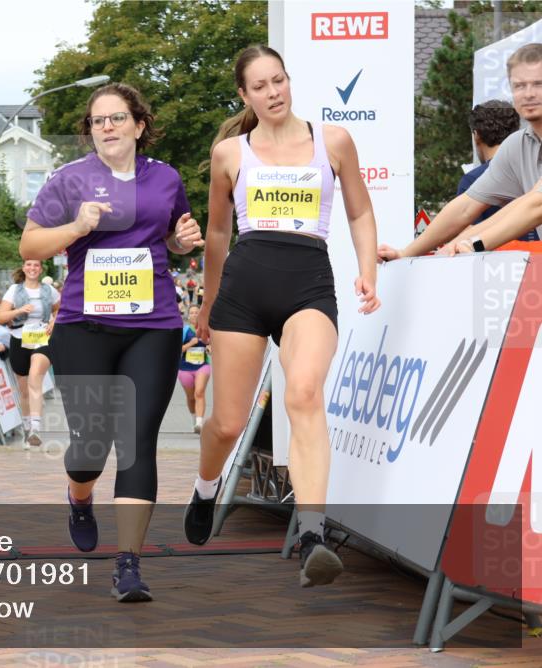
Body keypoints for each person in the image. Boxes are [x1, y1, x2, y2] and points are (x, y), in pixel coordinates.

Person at [187, 45, 380, 588]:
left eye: (279, 80)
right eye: (260, 86)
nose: (273, 93)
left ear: (289, 81)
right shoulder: (230, 153)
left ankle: (313, 533)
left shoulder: (332, 141)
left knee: (303, 394)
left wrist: (368, 270)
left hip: (309, 285)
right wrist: (207, 302)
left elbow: (360, 211)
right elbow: (220, 234)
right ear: (244, 95)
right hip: (244, 289)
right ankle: (205, 488)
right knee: (226, 423)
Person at [19, 82, 204, 602]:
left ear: (138, 125)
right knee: (91, 448)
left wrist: (179, 242)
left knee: (137, 443)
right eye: (98, 120)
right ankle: (79, 496)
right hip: (85, 326)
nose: (107, 127)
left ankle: (129, 564)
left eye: (117, 118)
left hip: (153, 324)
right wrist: (76, 226)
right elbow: (30, 243)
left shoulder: (165, 177)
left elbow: (171, 235)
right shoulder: (69, 179)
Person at [379, 43, 542, 259]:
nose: (528, 94)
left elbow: (535, 205)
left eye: (538, 84)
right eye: (519, 86)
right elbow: (466, 207)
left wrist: (475, 244)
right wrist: (407, 253)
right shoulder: (517, 145)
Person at [0, 260, 60, 449]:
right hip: (19, 337)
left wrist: (53, 322)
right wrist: (19, 310)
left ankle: (36, 428)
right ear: (24, 268)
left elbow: (62, 310)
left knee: (35, 377)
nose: (32, 268)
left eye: (36, 265)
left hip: (42, 338)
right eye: (29, 265)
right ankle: (27, 430)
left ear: (41, 269)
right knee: (24, 390)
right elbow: (1, 317)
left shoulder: (49, 290)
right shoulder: (15, 290)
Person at [178, 304, 212, 434]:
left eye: (196, 312)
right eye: (191, 313)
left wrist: (210, 348)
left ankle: (199, 423)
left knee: (199, 392)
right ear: (188, 315)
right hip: (185, 368)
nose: (194, 315)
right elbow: (177, 350)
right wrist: (190, 344)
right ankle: (194, 419)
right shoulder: (184, 331)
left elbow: (211, 345)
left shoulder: (206, 330)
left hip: (202, 366)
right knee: (191, 397)